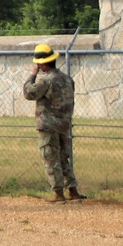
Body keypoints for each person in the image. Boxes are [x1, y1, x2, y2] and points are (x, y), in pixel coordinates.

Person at [22, 43, 86, 202]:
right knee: (64, 158)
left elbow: (28, 93)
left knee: (50, 158)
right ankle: (73, 190)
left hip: (48, 125)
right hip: (64, 124)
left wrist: (32, 76)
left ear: (43, 64)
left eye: (38, 63)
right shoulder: (67, 79)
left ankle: (58, 193)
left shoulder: (46, 81)